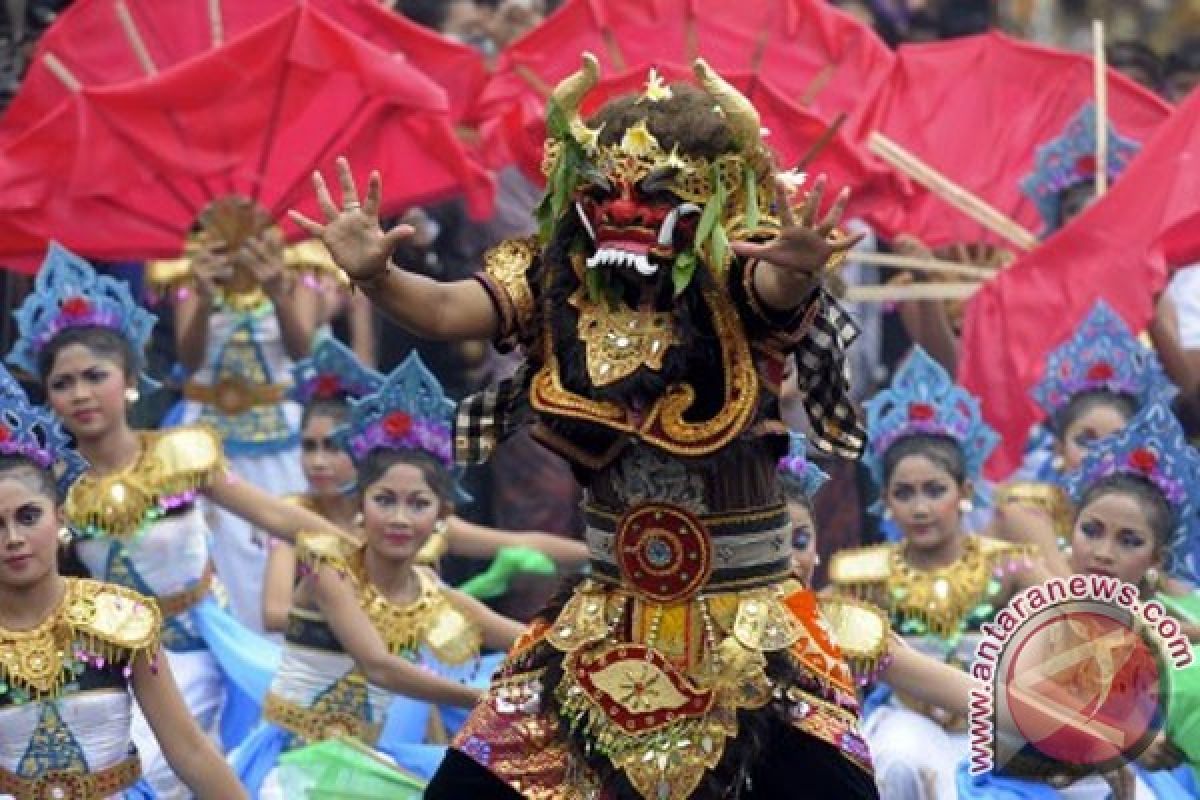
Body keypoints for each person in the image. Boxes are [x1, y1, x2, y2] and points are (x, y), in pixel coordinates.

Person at [294, 56, 879, 799]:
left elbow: (775, 291)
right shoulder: (554, 275)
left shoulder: (739, 275)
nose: (625, 210)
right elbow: (444, 310)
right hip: (602, 614)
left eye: (655, 194)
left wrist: (797, 272)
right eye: (604, 191)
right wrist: (376, 276)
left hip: (750, 619)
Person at [8, 242, 344, 797]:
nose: (81, 394)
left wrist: (357, 548)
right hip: (110, 667)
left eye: (95, 375)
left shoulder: (182, 455)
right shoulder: (45, 499)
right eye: (63, 384)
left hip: (205, 651)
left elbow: (272, 513)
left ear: (130, 379)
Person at [231, 352, 526, 798]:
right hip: (291, 764)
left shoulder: (431, 594)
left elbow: (527, 639)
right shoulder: (331, 570)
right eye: (384, 500)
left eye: (418, 504)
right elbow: (379, 667)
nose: (400, 519)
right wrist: (480, 699)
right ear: (361, 505)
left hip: (363, 768)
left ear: (440, 515)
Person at [0, 362, 247, 800]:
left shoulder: (119, 621)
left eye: (28, 516)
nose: (14, 539)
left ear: (60, 517)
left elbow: (189, 751)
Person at [828, 347, 1051, 800]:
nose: (921, 507)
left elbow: (1069, 631)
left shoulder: (1011, 566)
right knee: (898, 762)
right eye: (904, 493)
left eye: (935, 490)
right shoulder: (864, 574)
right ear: (885, 502)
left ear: (964, 491)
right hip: (908, 719)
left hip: (996, 724)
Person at [262, 336, 585, 633]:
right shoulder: (296, 520)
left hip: (416, 663)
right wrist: (362, 620)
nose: (319, 462)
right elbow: (274, 613)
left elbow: (522, 544)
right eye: (308, 447)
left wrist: (607, 559)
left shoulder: (414, 520)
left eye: (331, 447)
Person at [960, 402, 1200, 799]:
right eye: (1091, 531)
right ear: (1071, 531)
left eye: (1129, 541)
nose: (1104, 552)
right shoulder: (1033, 591)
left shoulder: (1167, 626)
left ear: (1156, 559)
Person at [150, 199, 335, 632]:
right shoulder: (192, 259)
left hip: (279, 439)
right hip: (202, 433)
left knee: (280, 544)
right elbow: (189, 359)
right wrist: (205, 295)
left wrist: (277, 292)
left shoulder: (300, 257)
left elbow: (302, 351)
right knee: (205, 548)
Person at [992, 301, 1176, 578]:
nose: (1099, 456)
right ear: (1058, 448)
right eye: (1086, 441)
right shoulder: (1023, 510)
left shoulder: (1144, 516)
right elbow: (1071, 599)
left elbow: (1184, 599)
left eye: (1115, 443)